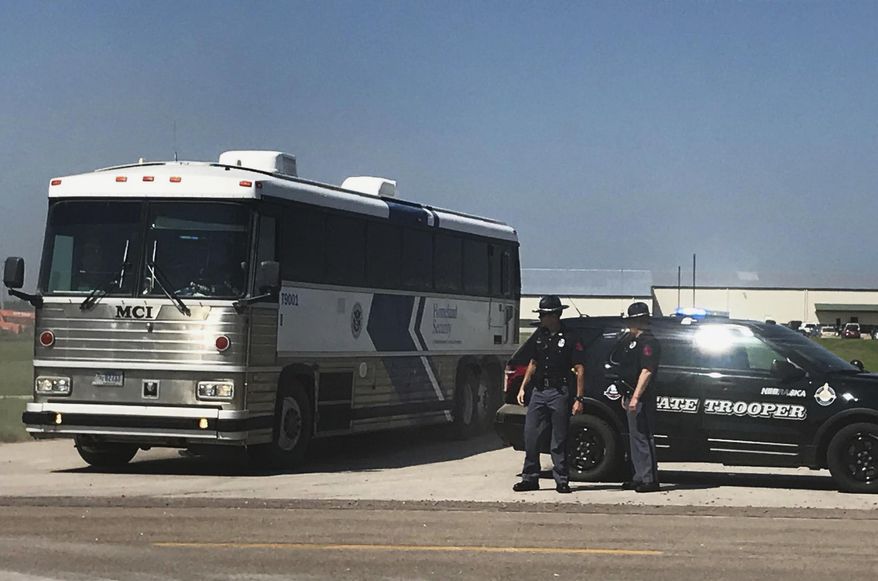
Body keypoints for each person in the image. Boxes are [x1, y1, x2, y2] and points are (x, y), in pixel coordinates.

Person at [513, 295, 586, 494]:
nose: (543, 318)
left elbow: (579, 368)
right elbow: (533, 363)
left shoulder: (570, 337)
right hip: (539, 391)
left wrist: (579, 398)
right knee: (531, 435)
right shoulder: (540, 335)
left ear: (555, 315)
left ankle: (561, 479)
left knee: (558, 438)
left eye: (545, 315)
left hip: (559, 392)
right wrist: (523, 387)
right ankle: (530, 478)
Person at [616, 301, 662, 493]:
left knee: (643, 437)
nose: (632, 324)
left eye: (635, 321)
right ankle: (638, 476)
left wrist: (635, 397)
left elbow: (647, 371)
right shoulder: (631, 341)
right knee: (635, 438)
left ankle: (649, 479)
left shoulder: (648, 342)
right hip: (629, 393)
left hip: (641, 396)